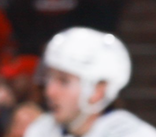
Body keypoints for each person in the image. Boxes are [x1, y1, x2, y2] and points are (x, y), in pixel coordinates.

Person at [24, 28, 155, 137]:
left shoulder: (133, 134)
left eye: (63, 81)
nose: (49, 91)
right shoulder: (41, 130)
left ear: (98, 90)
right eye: (49, 78)